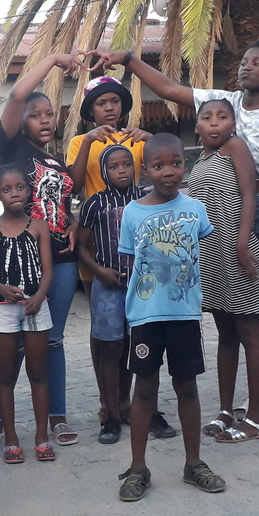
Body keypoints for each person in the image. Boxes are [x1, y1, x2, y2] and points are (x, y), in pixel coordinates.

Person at [97, 44, 259, 427]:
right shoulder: (225, 102)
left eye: (257, 62)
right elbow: (168, 89)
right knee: (247, 305)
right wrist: (129, 60)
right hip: (228, 211)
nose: (247, 66)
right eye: (244, 60)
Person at [0, 54, 81, 453]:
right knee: (10, 345)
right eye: (35, 115)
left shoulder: (55, 161)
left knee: (52, 341)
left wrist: (72, 223)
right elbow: (17, 94)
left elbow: (61, 205)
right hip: (20, 263)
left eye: (49, 113)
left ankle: (56, 417)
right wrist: (53, 60)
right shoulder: (12, 148)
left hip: (61, 261)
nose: (44, 119)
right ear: (21, 122)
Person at [116, 134, 226, 501]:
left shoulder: (196, 209)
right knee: (144, 388)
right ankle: (138, 467)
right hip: (146, 317)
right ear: (145, 169)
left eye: (176, 163)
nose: (168, 172)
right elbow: (133, 263)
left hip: (185, 314)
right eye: (159, 165)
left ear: (185, 165)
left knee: (187, 386)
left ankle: (194, 463)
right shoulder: (133, 213)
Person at [184, 99, 259, 443]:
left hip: (237, 248)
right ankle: (226, 410)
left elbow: (249, 194)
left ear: (234, 125)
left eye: (222, 117)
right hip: (211, 254)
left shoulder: (235, 147)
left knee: (252, 333)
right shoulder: (202, 160)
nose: (214, 123)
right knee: (226, 334)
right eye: (206, 117)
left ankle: (256, 417)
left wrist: (242, 242)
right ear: (197, 127)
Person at [66, 75, 152, 432]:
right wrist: (88, 141)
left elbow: (162, 167)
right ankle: (108, 403)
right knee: (104, 330)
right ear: (90, 110)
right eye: (101, 103)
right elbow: (73, 184)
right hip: (97, 243)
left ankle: (126, 400)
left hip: (134, 252)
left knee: (131, 332)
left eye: (115, 101)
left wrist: (151, 139)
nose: (109, 108)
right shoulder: (79, 141)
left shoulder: (135, 139)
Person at [0, 164, 55, 463]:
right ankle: (10, 438)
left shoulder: (39, 226)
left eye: (20, 187)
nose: (15, 193)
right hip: (3, 308)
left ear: (29, 190)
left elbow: (47, 271)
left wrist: (38, 296)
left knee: (38, 372)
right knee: (6, 373)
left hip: (36, 306)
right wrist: (2, 288)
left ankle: (41, 437)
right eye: (7, 189)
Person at [76, 144, 147, 444]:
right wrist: (98, 271)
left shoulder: (145, 199)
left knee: (132, 346)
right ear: (103, 172)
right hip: (107, 287)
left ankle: (126, 403)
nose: (121, 171)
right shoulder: (94, 204)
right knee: (110, 347)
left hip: (140, 287)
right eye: (114, 166)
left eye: (126, 164)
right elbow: (80, 245)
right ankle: (110, 414)